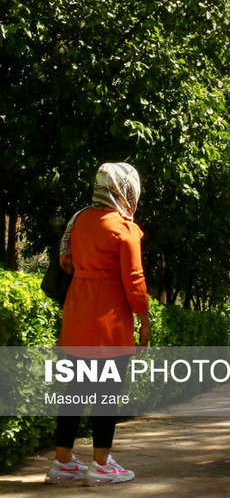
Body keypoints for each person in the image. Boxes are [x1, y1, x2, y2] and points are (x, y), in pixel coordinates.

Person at [46, 163, 149, 486]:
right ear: (126, 190)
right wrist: (144, 319)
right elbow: (134, 281)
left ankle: (63, 462)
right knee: (106, 393)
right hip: (110, 323)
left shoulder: (78, 221)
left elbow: (67, 262)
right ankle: (101, 465)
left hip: (77, 316)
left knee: (73, 391)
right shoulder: (124, 228)